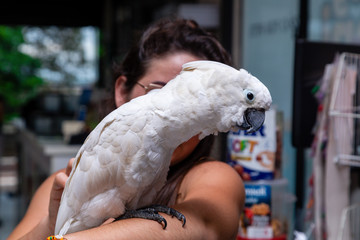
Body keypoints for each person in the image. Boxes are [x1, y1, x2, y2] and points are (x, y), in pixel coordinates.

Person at [8, 18, 245, 240]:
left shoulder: (212, 176)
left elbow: (200, 226)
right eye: (160, 90)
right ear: (122, 92)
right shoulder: (63, 181)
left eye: (196, 101)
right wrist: (51, 225)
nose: (180, 108)